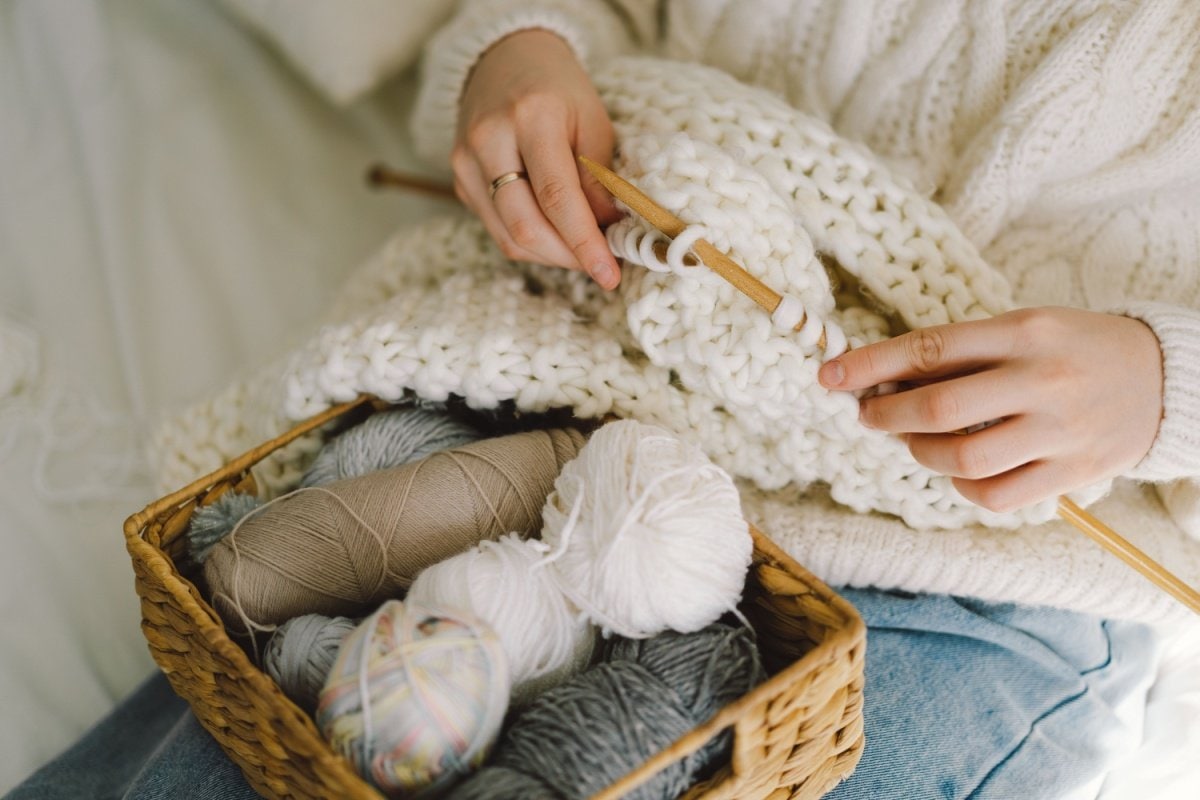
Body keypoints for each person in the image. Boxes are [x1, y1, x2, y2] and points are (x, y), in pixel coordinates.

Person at [10, 2, 1197, 798]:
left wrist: (1160, 385)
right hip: (612, 366)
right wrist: (521, 57)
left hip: (983, 551)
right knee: (268, 725)